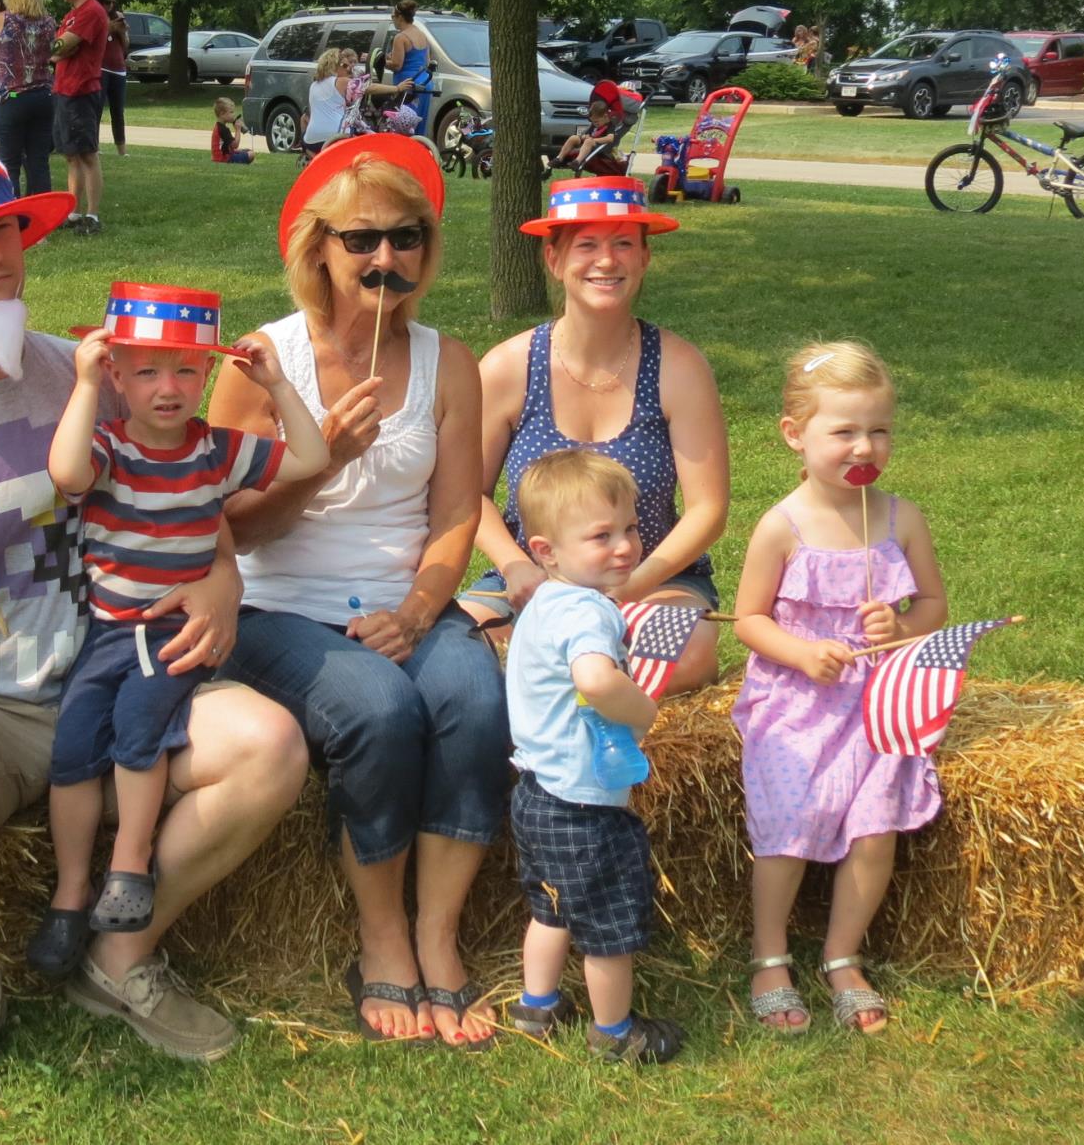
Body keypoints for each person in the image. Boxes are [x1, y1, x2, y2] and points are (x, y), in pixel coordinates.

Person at [0, 79, 307, 1110]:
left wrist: (218, 575)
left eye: (7, 229)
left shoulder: (82, 371)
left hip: (112, 653)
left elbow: (188, 499)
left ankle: (120, 950)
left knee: (269, 746)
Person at [205, 135, 510, 1050]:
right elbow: (222, 526)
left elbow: (456, 515)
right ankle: (381, 933)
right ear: (319, 249)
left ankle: (436, 933)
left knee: (472, 697)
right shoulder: (262, 360)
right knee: (377, 709)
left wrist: (421, 611)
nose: (387, 258)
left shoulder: (449, 362)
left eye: (407, 238)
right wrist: (320, 462)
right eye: (363, 239)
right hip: (275, 603)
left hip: (405, 595)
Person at [27, 284, 329, 978]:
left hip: (171, 632)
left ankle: (129, 869)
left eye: (188, 370)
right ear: (118, 377)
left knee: (140, 731)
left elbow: (310, 458)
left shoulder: (216, 451)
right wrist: (82, 383)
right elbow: (67, 472)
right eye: (147, 371)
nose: (169, 388)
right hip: (106, 632)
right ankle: (71, 891)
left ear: (209, 375)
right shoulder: (106, 445)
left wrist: (278, 385)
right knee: (73, 746)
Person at [731, 341, 948, 1036]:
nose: (866, 445)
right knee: (790, 822)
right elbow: (748, 618)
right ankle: (770, 954)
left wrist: (901, 624)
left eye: (880, 430)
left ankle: (841, 953)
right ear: (795, 434)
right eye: (845, 431)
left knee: (874, 829)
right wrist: (799, 651)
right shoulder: (781, 526)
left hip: (878, 702)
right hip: (796, 700)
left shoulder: (900, 518)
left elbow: (935, 610)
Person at [460, 175, 728, 695]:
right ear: (554, 260)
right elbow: (469, 493)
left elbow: (708, 510)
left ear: (644, 258)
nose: (606, 261)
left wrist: (633, 585)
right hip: (535, 583)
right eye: (587, 245)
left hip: (656, 582)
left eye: (623, 243)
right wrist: (517, 568)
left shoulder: (679, 366)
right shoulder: (508, 367)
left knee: (681, 657)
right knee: (461, 660)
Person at [502, 449, 686, 1065]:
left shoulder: (544, 602)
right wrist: (644, 711)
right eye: (601, 536)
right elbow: (598, 680)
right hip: (584, 801)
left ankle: (537, 1006)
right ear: (547, 550)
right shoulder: (587, 611)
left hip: (535, 789)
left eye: (630, 529)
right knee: (608, 926)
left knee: (551, 905)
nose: (624, 546)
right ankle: (614, 1035)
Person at [0, 0, 57, 198]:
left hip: (13, 97)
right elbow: (53, 54)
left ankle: (14, 216)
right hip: (43, 95)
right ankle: (42, 215)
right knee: (39, 161)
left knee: (10, 162)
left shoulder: (4, 19)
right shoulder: (49, 22)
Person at [50, 0, 107, 234]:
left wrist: (59, 48)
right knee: (71, 155)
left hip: (81, 90)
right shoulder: (72, 14)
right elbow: (59, 48)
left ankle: (92, 216)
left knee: (87, 155)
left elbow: (61, 45)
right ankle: (74, 213)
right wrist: (60, 49)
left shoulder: (91, 11)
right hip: (64, 88)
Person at [382, 0, 431, 137]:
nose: (392, 20)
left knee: (404, 128)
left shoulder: (401, 37)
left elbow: (397, 65)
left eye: (393, 16)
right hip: (425, 83)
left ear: (400, 17)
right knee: (419, 125)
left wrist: (383, 61)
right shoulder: (422, 35)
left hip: (407, 85)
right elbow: (426, 61)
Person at [98, 0, 127, 156]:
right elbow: (92, 41)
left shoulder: (117, 17)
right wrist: (107, 28)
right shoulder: (95, 17)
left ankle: (122, 150)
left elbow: (126, 46)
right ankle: (95, 147)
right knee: (97, 109)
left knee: (118, 112)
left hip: (119, 69)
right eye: (107, 2)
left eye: (113, 3)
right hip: (102, 68)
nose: (110, 6)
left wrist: (122, 32)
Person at [554, 95, 614, 170]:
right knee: (574, 138)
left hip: (599, 147)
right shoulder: (594, 125)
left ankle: (577, 162)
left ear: (605, 116)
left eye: (596, 122)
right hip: (586, 145)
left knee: (588, 141)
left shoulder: (610, 125)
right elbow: (586, 134)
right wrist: (584, 136)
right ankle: (559, 158)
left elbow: (610, 138)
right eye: (593, 122)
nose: (594, 124)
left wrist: (593, 140)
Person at [209, 97, 252, 164]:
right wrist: (238, 130)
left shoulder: (219, 126)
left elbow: (229, 146)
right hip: (223, 159)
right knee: (251, 154)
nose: (233, 115)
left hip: (218, 157)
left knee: (247, 150)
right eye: (231, 112)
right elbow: (235, 145)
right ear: (222, 114)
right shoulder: (223, 129)